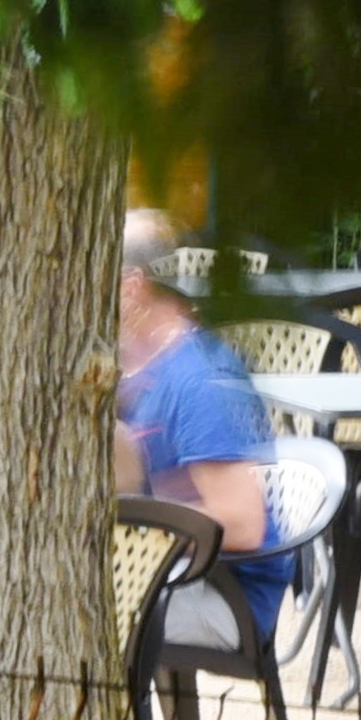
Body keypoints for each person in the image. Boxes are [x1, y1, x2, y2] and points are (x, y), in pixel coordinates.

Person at [119, 216, 284, 639]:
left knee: (62, 611)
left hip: (221, 594)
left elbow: (241, 524)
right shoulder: (138, 365)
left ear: (132, 286)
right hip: (163, 571)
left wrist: (123, 527)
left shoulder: (199, 379)